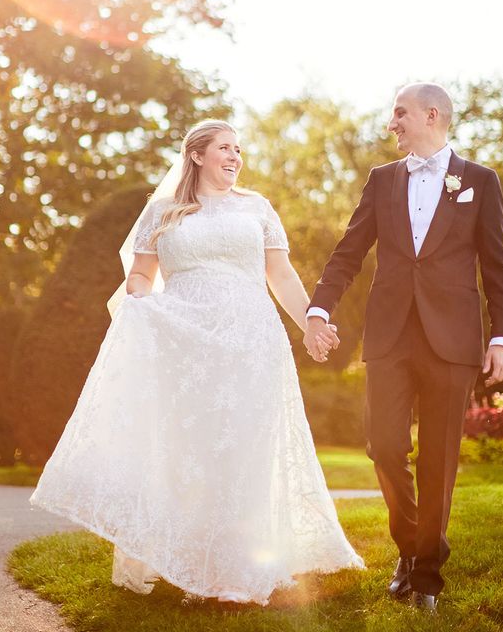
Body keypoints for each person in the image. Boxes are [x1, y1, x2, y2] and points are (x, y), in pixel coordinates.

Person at [30, 119, 364, 605]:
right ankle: (194, 562)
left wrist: (310, 321)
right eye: (225, 148)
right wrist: (141, 303)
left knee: (245, 447)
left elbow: (281, 273)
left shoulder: (257, 208)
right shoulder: (163, 212)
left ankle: (239, 569)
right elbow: (141, 275)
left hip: (252, 339)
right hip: (185, 341)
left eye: (239, 149)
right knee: (193, 450)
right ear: (198, 155)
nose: (235, 157)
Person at [304, 83, 503, 612]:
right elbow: (348, 251)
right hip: (391, 335)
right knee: (383, 445)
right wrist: (318, 308)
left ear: (431, 115)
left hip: (454, 339)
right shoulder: (381, 181)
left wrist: (502, 339)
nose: (392, 123)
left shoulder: (480, 182)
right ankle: (414, 544)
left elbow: (498, 270)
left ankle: (425, 578)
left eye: (399, 113)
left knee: (441, 459)